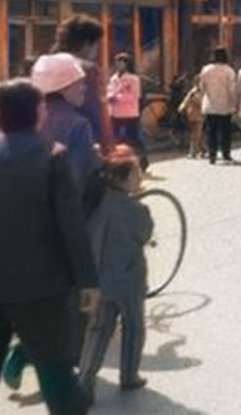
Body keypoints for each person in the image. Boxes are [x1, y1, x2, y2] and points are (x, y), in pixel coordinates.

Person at [0, 79, 99, 415]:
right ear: (39, 113)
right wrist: (87, 280)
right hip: (40, 288)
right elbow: (71, 225)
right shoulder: (52, 155)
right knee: (56, 373)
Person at [78, 146, 152, 398]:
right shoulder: (136, 211)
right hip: (129, 279)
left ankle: (85, 380)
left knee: (99, 330)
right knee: (134, 327)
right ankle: (129, 375)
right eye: (137, 173)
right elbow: (145, 234)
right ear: (126, 178)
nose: (140, 177)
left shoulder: (97, 204)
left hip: (101, 279)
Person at [31, 53, 100, 199]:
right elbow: (75, 181)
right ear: (63, 87)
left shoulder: (25, 118)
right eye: (80, 83)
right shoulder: (77, 124)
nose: (84, 88)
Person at [54, 15, 111, 149]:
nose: (96, 51)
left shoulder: (45, 64)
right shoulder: (87, 69)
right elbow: (94, 110)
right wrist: (106, 144)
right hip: (81, 138)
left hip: (49, 140)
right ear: (86, 43)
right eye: (96, 45)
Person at [198, 47, 238, 165]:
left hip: (210, 104)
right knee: (225, 131)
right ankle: (226, 154)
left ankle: (212, 155)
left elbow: (202, 87)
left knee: (211, 131)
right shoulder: (229, 71)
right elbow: (232, 90)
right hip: (225, 105)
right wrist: (234, 103)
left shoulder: (206, 70)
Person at [105, 53, 144, 168]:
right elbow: (110, 91)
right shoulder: (113, 78)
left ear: (127, 64)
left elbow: (135, 95)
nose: (119, 65)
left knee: (133, 138)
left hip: (130, 113)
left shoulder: (133, 79)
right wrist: (109, 96)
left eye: (121, 63)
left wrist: (118, 98)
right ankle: (119, 162)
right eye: (117, 62)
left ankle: (141, 162)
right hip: (115, 113)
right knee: (116, 139)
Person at [177, 81, 206, 159]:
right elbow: (186, 100)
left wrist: (193, 98)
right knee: (196, 133)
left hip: (199, 115)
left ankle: (193, 152)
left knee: (195, 134)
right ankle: (203, 149)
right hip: (192, 114)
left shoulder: (201, 92)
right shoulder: (192, 92)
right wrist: (182, 106)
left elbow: (201, 103)